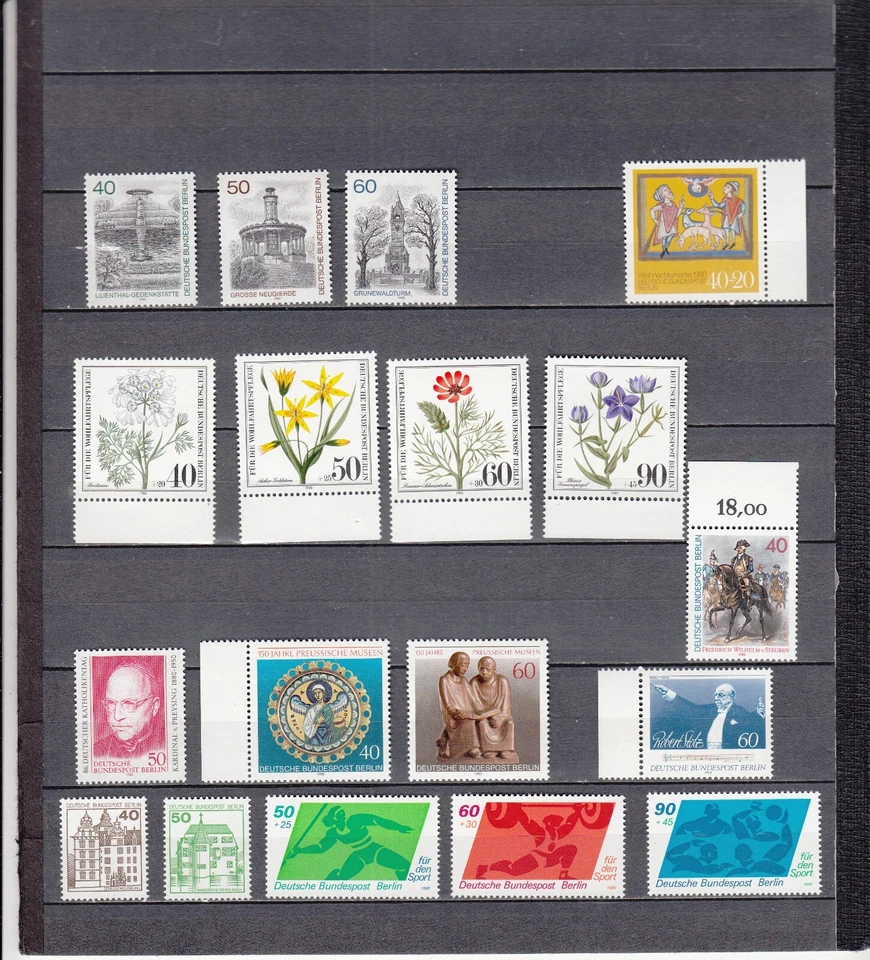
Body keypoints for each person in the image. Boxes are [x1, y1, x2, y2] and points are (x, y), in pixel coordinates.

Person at [285, 805, 414, 880]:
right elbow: (320, 848)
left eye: (343, 813)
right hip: (359, 856)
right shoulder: (333, 832)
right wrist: (299, 850)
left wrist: (398, 827)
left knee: (405, 866)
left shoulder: (354, 821)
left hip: (374, 850)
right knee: (340, 878)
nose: (344, 815)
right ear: (334, 819)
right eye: (340, 814)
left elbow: (378, 821)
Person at [652, 681, 765, 750]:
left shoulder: (739, 711)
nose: (716, 698)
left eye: (721, 695)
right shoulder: (710, 710)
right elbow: (691, 709)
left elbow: (752, 722)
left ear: (731, 697)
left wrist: (758, 713)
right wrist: (668, 693)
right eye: (715, 695)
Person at [94, 660, 163, 758]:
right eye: (111, 703)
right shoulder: (96, 752)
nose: (117, 716)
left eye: (129, 703)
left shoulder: (168, 746)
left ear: (154, 706)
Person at [469, 657, 518, 761]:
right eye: (481, 669)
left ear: (493, 669)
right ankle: (488, 750)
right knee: (482, 724)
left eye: (488, 669)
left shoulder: (502, 681)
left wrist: (500, 717)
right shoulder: (474, 682)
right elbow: (474, 704)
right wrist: (487, 715)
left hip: (501, 716)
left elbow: (506, 705)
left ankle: (505, 749)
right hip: (484, 716)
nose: (484, 672)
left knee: (509, 723)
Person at [437, 651, 481, 760]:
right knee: (469, 721)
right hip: (453, 715)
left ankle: (485, 749)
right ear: (454, 663)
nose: (465, 668)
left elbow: (473, 699)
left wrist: (481, 709)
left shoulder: (464, 680)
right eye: (463, 664)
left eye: (467, 665)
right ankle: (473, 748)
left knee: (482, 721)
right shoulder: (444, 680)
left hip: (467, 712)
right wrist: (456, 712)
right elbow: (446, 703)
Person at [289, 680, 349, 749]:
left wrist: (339, 729)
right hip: (315, 736)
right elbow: (306, 726)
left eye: (319, 692)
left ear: (323, 693)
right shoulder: (311, 709)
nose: (317, 695)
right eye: (315, 693)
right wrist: (318, 722)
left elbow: (331, 725)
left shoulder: (328, 708)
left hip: (328, 736)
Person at [649, 185, 685, 258]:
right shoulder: (662, 205)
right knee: (664, 237)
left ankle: (666, 248)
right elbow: (652, 210)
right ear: (662, 195)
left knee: (671, 235)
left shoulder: (673, 204)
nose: (668, 190)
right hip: (663, 225)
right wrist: (655, 219)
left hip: (671, 225)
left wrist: (681, 206)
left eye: (668, 189)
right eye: (665, 190)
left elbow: (676, 216)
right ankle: (663, 250)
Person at [708, 180, 746, 249]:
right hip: (727, 216)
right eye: (725, 186)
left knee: (733, 229)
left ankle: (734, 242)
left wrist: (742, 212)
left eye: (728, 187)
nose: (725, 188)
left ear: (732, 190)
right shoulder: (725, 199)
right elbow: (719, 206)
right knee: (726, 229)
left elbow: (742, 204)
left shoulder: (737, 200)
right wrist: (712, 198)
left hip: (734, 216)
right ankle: (727, 242)